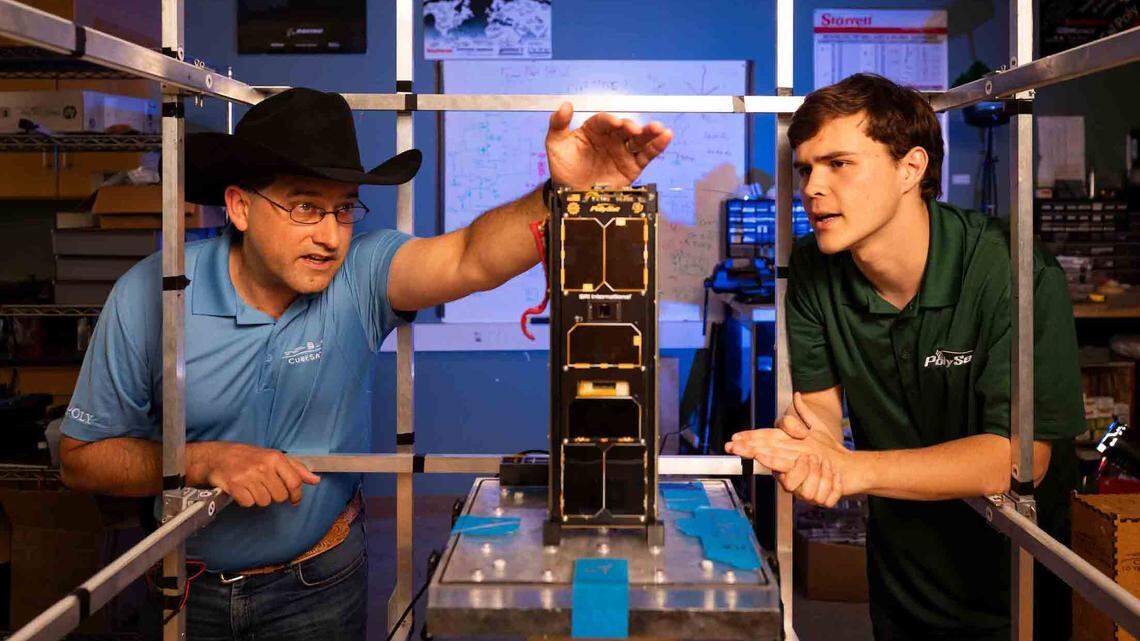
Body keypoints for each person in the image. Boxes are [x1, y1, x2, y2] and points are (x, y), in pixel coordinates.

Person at [58, 87, 673, 640]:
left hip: (320, 583)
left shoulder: (359, 273)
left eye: (345, 209)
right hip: (183, 589)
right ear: (240, 209)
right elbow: (81, 461)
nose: (330, 235)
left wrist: (561, 196)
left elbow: (470, 258)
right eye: (304, 207)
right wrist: (199, 460)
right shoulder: (153, 293)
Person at [725, 73, 1084, 640]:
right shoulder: (817, 274)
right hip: (901, 580)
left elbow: (1017, 460)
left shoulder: (1009, 273)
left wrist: (850, 468)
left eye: (839, 163)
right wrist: (809, 446)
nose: (812, 187)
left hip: (1017, 585)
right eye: (804, 169)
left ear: (910, 168)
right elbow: (819, 411)